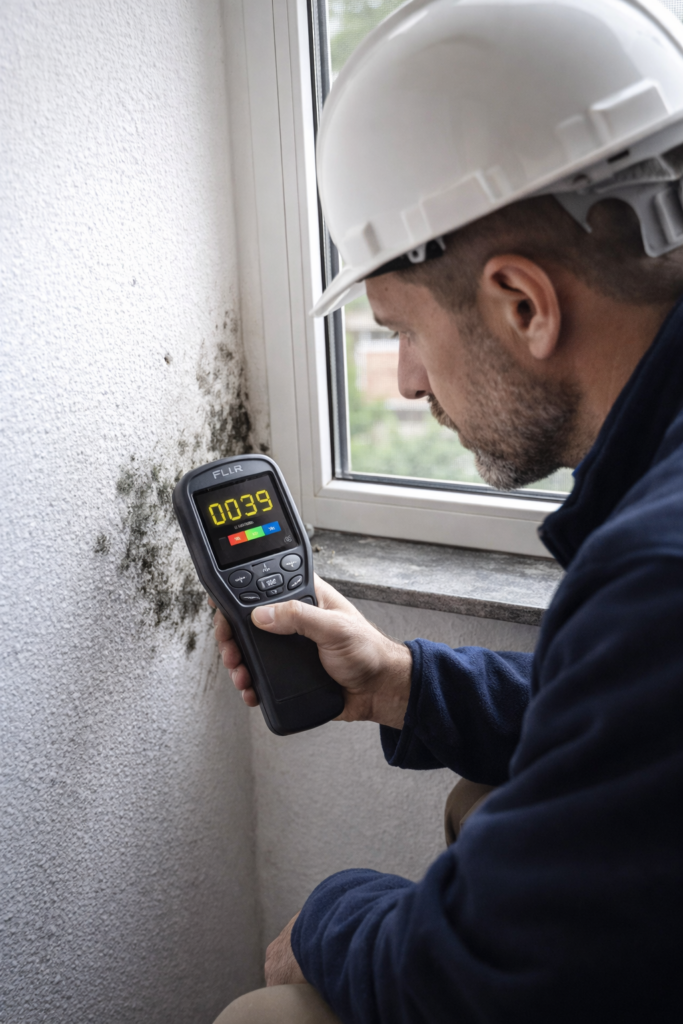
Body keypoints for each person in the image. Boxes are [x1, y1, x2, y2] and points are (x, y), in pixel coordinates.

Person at [213, 0, 683, 1020]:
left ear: (522, 302)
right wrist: (397, 683)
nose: (410, 384)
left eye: (402, 330)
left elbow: (467, 977)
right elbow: (630, 733)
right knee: (477, 800)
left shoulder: (656, 571)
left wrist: (327, 912)